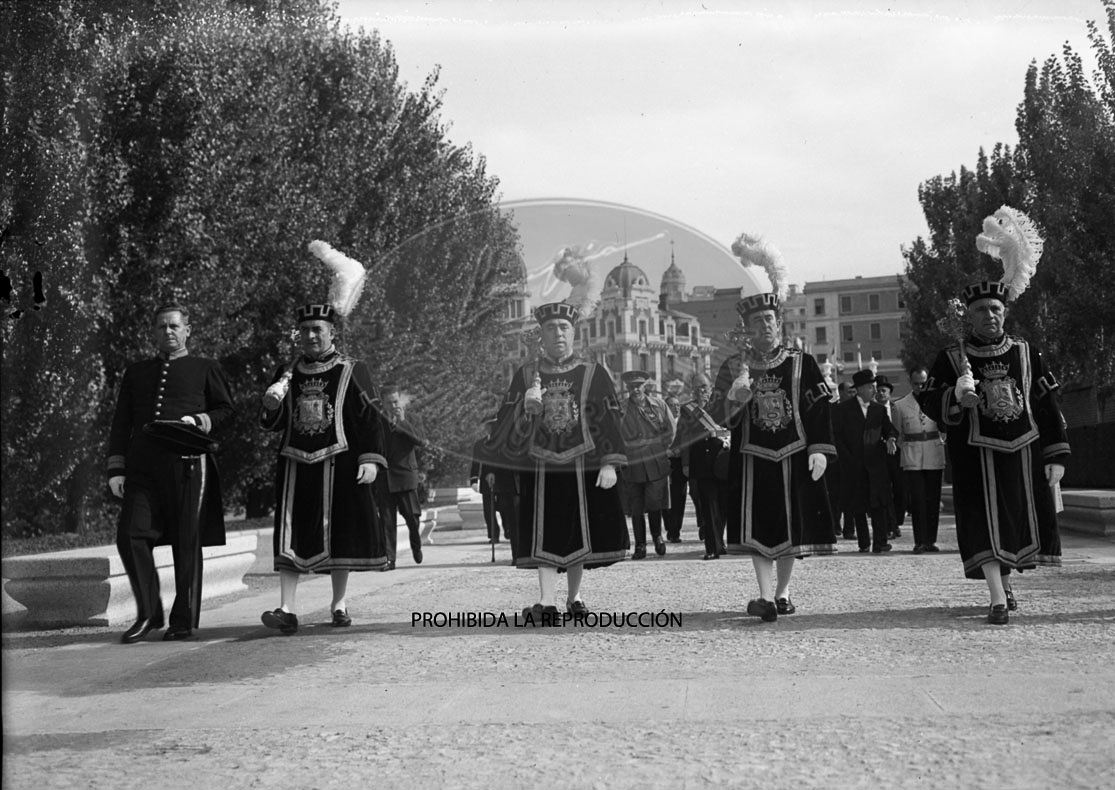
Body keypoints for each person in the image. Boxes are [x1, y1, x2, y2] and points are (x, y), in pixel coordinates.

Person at [919, 280, 1069, 624]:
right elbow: (927, 399)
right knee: (984, 527)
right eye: (981, 310)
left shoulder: (1026, 352)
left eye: (995, 309)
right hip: (976, 458)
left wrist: (1056, 455)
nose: (990, 315)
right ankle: (997, 598)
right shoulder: (952, 357)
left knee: (1013, 526)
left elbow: (1047, 404)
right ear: (969, 316)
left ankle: (1004, 587)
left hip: (1022, 455)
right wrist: (955, 396)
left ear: (1005, 312)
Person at [479, 297, 628, 620]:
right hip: (540, 468)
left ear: (574, 333)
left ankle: (575, 597)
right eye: (550, 328)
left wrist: (609, 462)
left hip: (583, 466)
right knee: (544, 535)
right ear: (541, 336)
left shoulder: (593, 373)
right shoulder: (526, 375)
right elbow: (503, 430)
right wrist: (524, 408)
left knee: (577, 533)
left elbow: (609, 420)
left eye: (564, 327)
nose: (558, 333)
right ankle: (547, 601)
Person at [107, 303, 234, 643]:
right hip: (144, 469)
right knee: (130, 536)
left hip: (189, 464)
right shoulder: (136, 372)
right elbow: (121, 422)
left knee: (186, 542)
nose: (168, 332)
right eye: (162, 327)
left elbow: (226, 411)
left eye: (174, 326)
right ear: (153, 332)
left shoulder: (206, 368)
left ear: (188, 329)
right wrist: (116, 468)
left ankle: (183, 620)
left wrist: (200, 421)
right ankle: (149, 613)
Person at [259, 303, 388, 634]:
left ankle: (339, 604)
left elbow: (370, 418)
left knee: (339, 535)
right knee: (291, 536)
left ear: (332, 333)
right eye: (305, 330)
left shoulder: (353, 369)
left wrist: (371, 458)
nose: (311, 335)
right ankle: (287, 609)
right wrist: (269, 405)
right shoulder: (286, 372)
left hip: (340, 462)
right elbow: (272, 424)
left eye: (318, 329)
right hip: (295, 467)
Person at [712, 290, 837, 622]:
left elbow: (818, 409)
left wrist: (820, 449)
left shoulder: (802, 362)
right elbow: (717, 415)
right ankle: (765, 596)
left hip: (794, 456)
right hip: (751, 459)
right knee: (759, 530)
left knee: (791, 529)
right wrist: (735, 396)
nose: (764, 325)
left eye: (768, 319)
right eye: (756, 321)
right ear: (747, 328)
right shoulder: (733, 365)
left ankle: (782, 592)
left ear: (778, 323)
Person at [833, 369, 899, 554]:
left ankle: (880, 542)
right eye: (871, 387)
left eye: (875, 387)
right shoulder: (843, 410)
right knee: (858, 506)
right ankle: (864, 542)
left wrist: (892, 439)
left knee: (878, 504)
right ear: (861, 389)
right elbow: (837, 437)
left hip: (875, 465)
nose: (874, 390)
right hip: (853, 466)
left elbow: (889, 429)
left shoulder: (878, 409)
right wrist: (847, 458)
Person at [618, 371, 676, 558]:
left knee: (654, 502)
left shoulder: (659, 405)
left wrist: (663, 448)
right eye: (631, 387)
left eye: (638, 386)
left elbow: (671, 429)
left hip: (655, 461)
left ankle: (657, 537)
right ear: (627, 388)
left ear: (645, 386)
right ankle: (640, 545)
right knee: (636, 506)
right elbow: (615, 433)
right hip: (633, 461)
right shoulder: (622, 408)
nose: (635, 390)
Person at [675, 372, 730, 560]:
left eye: (704, 386)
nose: (701, 391)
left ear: (711, 388)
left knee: (723, 503)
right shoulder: (687, 410)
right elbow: (684, 438)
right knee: (707, 505)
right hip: (700, 460)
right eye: (697, 387)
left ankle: (720, 543)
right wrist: (685, 463)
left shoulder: (720, 407)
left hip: (721, 459)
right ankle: (712, 548)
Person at [891, 366, 946, 553]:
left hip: (934, 454)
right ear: (910, 382)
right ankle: (919, 541)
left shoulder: (937, 401)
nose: (920, 387)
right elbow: (897, 433)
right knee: (917, 501)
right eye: (916, 384)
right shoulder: (900, 405)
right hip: (912, 457)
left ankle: (931, 540)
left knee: (933, 499)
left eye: (923, 383)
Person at [376, 385, 428, 570]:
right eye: (389, 403)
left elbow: (421, 441)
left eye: (395, 401)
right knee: (387, 521)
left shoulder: (412, 419)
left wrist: (402, 423)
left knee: (412, 518)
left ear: (401, 400)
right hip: (384, 478)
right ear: (382, 403)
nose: (393, 405)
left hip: (405, 475)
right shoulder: (376, 419)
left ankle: (416, 545)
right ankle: (390, 559)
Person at [470, 415, 521, 561]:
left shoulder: (505, 440)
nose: (491, 427)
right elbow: (476, 463)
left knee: (505, 507)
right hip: (488, 478)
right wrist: (474, 479)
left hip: (504, 479)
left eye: (494, 425)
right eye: (489, 425)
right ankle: (493, 534)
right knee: (489, 509)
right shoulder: (480, 444)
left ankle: (508, 530)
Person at [874, 375, 906, 540]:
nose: (880, 393)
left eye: (883, 390)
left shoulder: (898, 408)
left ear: (890, 393)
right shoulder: (871, 410)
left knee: (900, 490)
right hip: (879, 455)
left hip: (897, 453)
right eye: (878, 390)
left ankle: (897, 521)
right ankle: (891, 526)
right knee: (885, 491)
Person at [663, 394, 688, 543]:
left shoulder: (684, 423)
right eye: (672, 405)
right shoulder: (661, 423)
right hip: (665, 463)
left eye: (678, 405)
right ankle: (669, 527)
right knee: (666, 498)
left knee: (680, 498)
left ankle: (675, 531)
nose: (676, 408)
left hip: (679, 463)